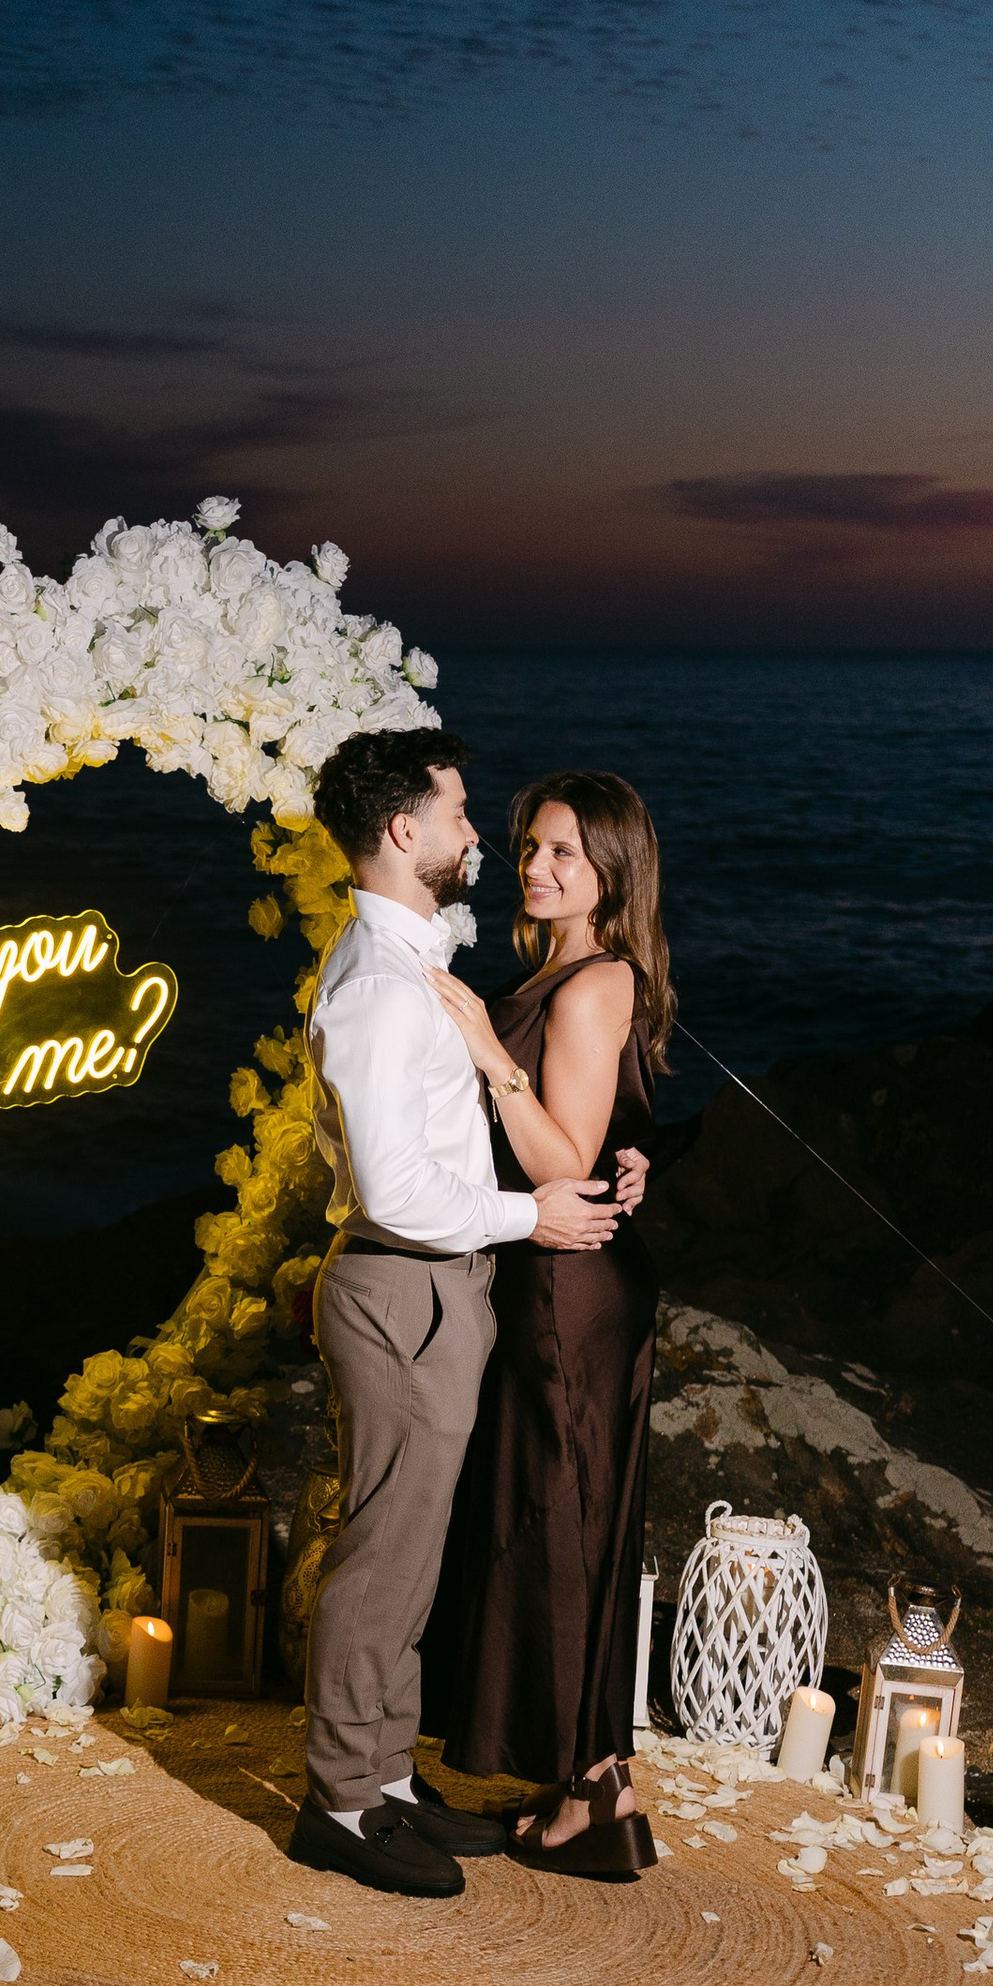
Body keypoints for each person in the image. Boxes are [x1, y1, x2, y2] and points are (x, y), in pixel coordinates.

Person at [290, 730, 649, 1899]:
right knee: (383, 1557)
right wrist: (528, 1217)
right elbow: (398, 1189)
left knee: (412, 1552)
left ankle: (387, 1778)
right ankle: (342, 1803)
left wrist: (609, 1163)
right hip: (405, 1278)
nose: (480, 843)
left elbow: (542, 1107)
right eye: (458, 816)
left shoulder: (409, 962)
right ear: (404, 832)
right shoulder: (385, 986)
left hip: (438, 1282)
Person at [424, 770, 673, 1881]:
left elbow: (562, 1168)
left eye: (565, 852)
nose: (534, 866)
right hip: (575, 1281)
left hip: (565, 1288)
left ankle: (583, 1786)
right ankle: (598, 1785)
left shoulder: (580, 987)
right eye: (531, 845)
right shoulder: (583, 973)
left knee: (558, 1522)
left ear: (611, 871)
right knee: (566, 1517)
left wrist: (485, 1049)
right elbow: (608, 1134)